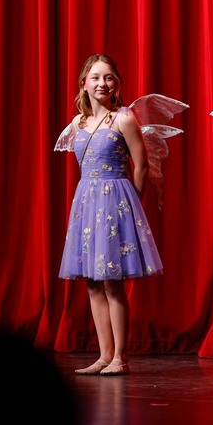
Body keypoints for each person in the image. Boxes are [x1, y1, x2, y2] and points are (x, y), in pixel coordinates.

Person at [58, 54, 163, 376]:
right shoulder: (78, 123)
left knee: (112, 282)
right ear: (84, 83)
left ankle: (120, 357)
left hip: (115, 198)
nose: (102, 84)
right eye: (96, 78)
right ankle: (103, 355)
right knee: (91, 282)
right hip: (86, 202)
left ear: (116, 83)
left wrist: (131, 204)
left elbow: (141, 165)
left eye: (109, 78)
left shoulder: (124, 118)